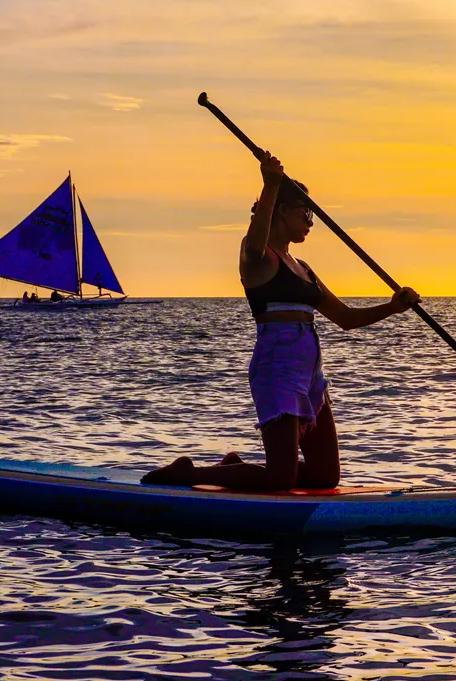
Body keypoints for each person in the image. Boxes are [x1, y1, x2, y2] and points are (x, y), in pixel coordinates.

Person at [142, 152, 420, 492]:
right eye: (306, 211)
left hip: (310, 373)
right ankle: (187, 473)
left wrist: (392, 307)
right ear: (282, 211)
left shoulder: (303, 267)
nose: (310, 220)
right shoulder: (257, 257)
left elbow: (346, 318)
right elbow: (257, 239)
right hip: (278, 366)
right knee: (280, 479)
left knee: (324, 477)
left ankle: (236, 470)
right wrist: (270, 184)